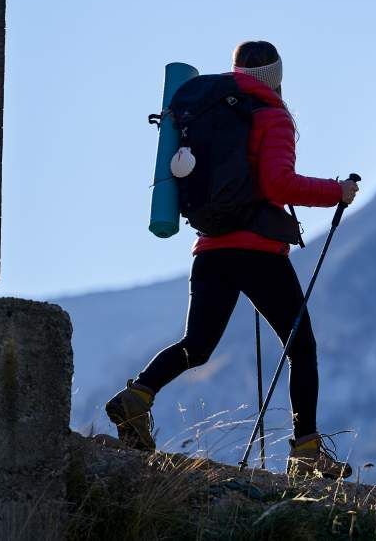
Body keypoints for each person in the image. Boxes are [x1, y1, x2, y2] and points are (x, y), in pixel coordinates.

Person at [105, 40, 359, 479]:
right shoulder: (271, 114)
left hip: (211, 248)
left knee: (196, 346)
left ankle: (137, 396)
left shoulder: (209, 110)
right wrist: (336, 191)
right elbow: (279, 186)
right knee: (302, 347)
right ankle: (306, 451)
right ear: (276, 77)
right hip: (257, 250)